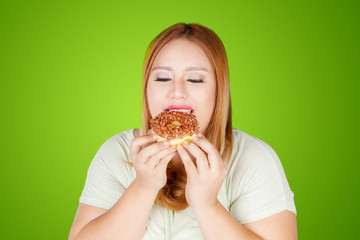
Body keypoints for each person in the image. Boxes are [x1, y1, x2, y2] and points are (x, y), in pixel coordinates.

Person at [69, 23, 297, 240]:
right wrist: (142, 187)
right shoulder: (116, 153)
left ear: (219, 91)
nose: (177, 91)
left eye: (195, 79)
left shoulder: (253, 158)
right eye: (163, 78)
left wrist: (208, 205)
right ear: (146, 88)